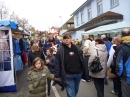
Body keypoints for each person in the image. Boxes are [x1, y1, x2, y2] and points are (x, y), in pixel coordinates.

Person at [54, 32, 88, 97]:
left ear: (71, 39)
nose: (66, 40)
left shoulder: (77, 48)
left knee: (75, 91)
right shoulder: (60, 49)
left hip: (78, 73)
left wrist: (84, 70)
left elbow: (82, 60)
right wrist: (57, 75)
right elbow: (57, 62)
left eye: (68, 38)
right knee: (72, 93)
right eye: (65, 39)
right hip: (67, 75)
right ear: (63, 40)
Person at [116, 28, 130, 97]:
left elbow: (119, 64)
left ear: (122, 36)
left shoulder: (121, 47)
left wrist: (119, 74)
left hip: (127, 77)